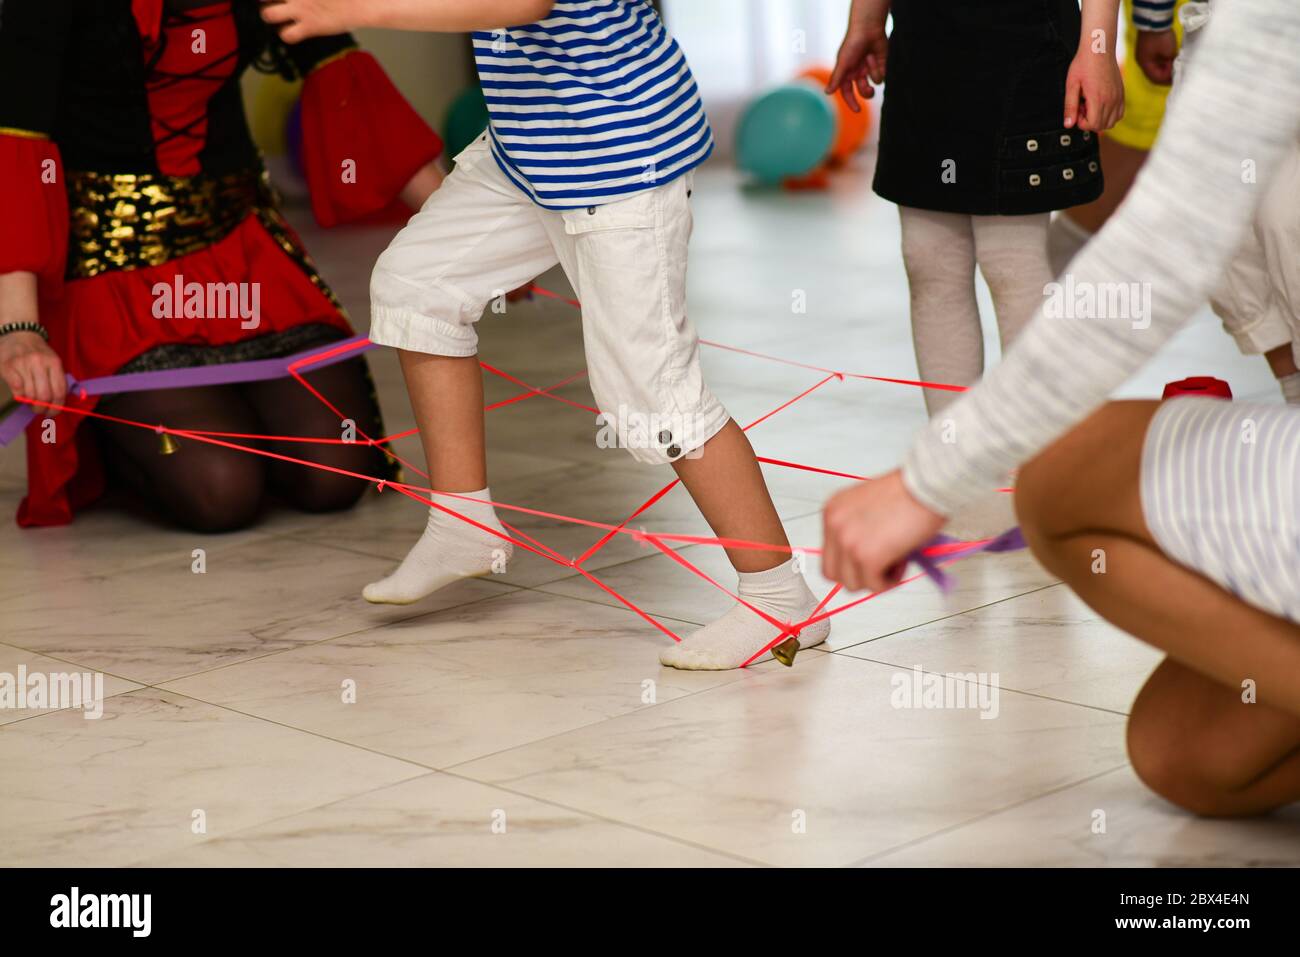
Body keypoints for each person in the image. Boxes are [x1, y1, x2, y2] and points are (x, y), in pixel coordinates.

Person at [822, 0, 1300, 816]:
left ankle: (1007, 474)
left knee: (1064, 480)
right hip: (949, 52)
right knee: (1179, 754)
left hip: (1025, 51)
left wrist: (921, 484)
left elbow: (1159, 259)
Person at [262, 0, 830, 670]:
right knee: (417, 286)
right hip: (529, 147)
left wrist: (356, 12)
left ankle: (778, 595)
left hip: (619, 159)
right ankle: (462, 521)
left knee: (653, 397)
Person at [0, 0, 444, 531]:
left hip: (245, 263)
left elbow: (342, 70)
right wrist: (20, 328)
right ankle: (108, 435)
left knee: (337, 475)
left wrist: (463, 236)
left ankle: (198, 413)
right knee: (222, 491)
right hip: (112, 280)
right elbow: (17, 145)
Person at [828, 0, 1124, 420]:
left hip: (1024, 42)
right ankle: (952, 448)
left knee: (1011, 262)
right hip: (923, 47)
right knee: (928, 259)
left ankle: (1034, 452)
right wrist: (866, 18)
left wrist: (1097, 47)